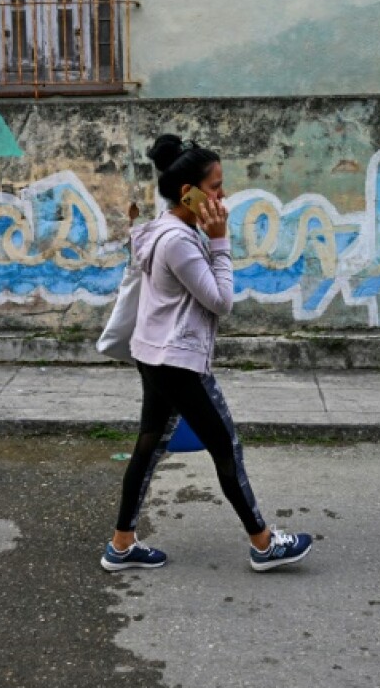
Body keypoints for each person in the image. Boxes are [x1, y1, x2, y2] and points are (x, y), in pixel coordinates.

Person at [101, 134, 313, 573]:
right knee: (226, 449)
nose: (223, 195)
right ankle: (263, 543)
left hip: (154, 355)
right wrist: (220, 241)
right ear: (189, 192)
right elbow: (221, 301)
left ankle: (121, 546)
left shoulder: (165, 227)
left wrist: (208, 233)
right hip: (177, 363)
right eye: (216, 186)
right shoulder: (180, 240)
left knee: (147, 449)